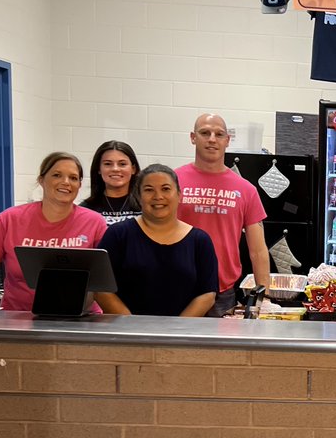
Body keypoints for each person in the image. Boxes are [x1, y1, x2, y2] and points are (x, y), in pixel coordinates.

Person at [0, 152, 107, 311]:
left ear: (79, 185)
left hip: (81, 320)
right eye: (57, 175)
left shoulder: (95, 223)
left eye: (73, 178)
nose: (65, 182)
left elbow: (106, 279)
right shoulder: (9, 219)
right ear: (41, 180)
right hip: (20, 318)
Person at [176, 113, 270, 317]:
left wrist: (265, 298)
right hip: (177, 286)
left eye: (219, 134)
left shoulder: (246, 190)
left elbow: (258, 251)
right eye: (205, 133)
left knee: (222, 350)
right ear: (193, 137)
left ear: (227, 141)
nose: (212, 139)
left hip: (223, 292)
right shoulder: (173, 182)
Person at [95, 164, 217, 317]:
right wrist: (133, 326)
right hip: (127, 334)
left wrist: (176, 330)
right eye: (148, 190)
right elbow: (101, 288)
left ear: (179, 194)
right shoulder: (118, 235)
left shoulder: (200, 241)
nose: (158, 196)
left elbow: (207, 294)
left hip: (182, 335)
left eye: (166, 189)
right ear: (138, 197)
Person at [80, 140, 142, 226]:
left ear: (133, 169)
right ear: (99, 169)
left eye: (122, 164)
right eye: (108, 164)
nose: (115, 169)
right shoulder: (85, 210)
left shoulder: (146, 206)